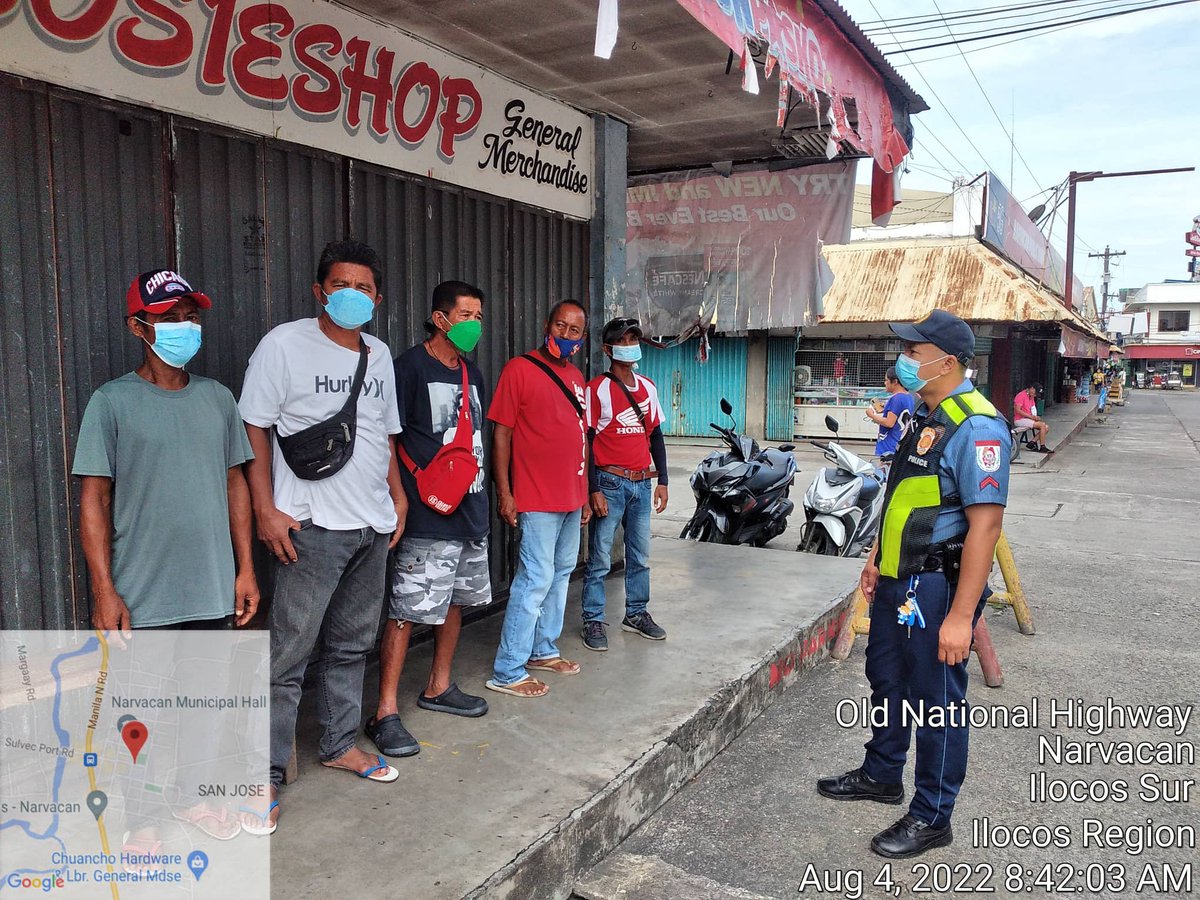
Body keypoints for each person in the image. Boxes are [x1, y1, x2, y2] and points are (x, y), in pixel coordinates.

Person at [72, 268, 259, 847]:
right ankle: (143, 821)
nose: (184, 327)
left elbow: (236, 484)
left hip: (209, 584)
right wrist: (105, 589)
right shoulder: (112, 402)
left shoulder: (217, 399)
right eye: (170, 317)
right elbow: (94, 498)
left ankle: (192, 802)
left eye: (191, 317)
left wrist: (245, 568)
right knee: (142, 715)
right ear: (139, 326)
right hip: (143, 593)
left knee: (205, 707)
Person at [817, 309, 1010, 859]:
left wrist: (959, 617)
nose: (902, 359)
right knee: (887, 678)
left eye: (914, 351)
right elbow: (901, 494)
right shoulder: (927, 416)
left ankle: (932, 814)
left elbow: (986, 525)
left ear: (945, 360)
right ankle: (882, 773)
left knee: (937, 703)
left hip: (936, 589)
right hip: (898, 581)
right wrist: (876, 557)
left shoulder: (977, 426)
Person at [239, 240, 408, 831]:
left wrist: (398, 493)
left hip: (371, 525)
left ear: (378, 298)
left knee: (350, 647)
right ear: (319, 290)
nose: (352, 295)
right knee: (289, 654)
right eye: (341, 285)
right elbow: (254, 430)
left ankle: (339, 745)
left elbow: (383, 433)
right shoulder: (283, 345)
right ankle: (262, 772)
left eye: (364, 288)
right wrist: (265, 507)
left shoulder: (380, 355)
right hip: (310, 526)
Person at [368, 281, 491, 758]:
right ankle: (385, 711)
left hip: (470, 511)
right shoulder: (407, 369)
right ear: (440, 319)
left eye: (479, 316)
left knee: (455, 602)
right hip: (426, 515)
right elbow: (389, 440)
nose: (474, 325)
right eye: (466, 315)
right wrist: (397, 498)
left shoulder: (472, 374)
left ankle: (438, 686)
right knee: (405, 612)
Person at [485, 300, 592, 698]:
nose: (565, 335)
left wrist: (583, 496)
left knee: (561, 575)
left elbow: (581, 440)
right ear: (547, 325)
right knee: (534, 580)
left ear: (582, 338)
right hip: (535, 496)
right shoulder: (520, 370)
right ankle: (508, 670)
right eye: (560, 326)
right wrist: (505, 492)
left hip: (570, 496)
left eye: (574, 330)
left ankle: (542, 650)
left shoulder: (578, 379)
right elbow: (502, 434)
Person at [579, 317, 670, 652]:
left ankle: (636, 613)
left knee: (640, 555)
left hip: (641, 484)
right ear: (607, 349)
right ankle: (593, 618)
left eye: (634, 339)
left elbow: (656, 435)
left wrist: (662, 479)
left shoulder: (648, 387)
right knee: (600, 557)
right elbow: (585, 441)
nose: (631, 345)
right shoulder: (595, 390)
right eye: (623, 340)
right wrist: (593, 489)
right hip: (610, 481)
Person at [866, 367, 914, 466]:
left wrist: (871, 415)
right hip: (900, 441)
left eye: (886, 380)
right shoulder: (908, 396)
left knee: (884, 473)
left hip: (890, 443)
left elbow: (889, 422)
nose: (885, 383)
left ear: (895, 381)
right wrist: (886, 408)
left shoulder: (896, 398)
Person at [1012, 381, 1050, 452]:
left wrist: (1035, 417)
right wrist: (1031, 417)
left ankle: (1032, 442)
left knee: (1046, 428)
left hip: (1028, 419)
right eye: (1035, 393)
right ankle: (1042, 446)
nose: (1035, 395)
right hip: (1020, 419)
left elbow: (1032, 408)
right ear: (1031, 388)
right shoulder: (1021, 396)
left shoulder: (1031, 396)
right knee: (1042, 425)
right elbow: (1018, 410)